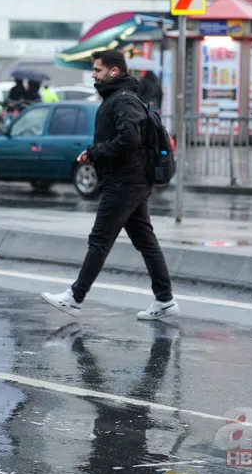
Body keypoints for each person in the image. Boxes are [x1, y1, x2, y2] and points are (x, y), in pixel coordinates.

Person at [40, 49, 179, 321]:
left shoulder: (123, 100)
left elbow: (129, 138)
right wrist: (93, 153)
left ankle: (75, 297)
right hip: (131, 180)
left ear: (114, 71)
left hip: (124, 181)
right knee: (145, 241)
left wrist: (95, 152)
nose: (94, 74)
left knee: (100, 240)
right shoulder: (119, 97)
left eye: (98, 70)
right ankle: (165, 300)